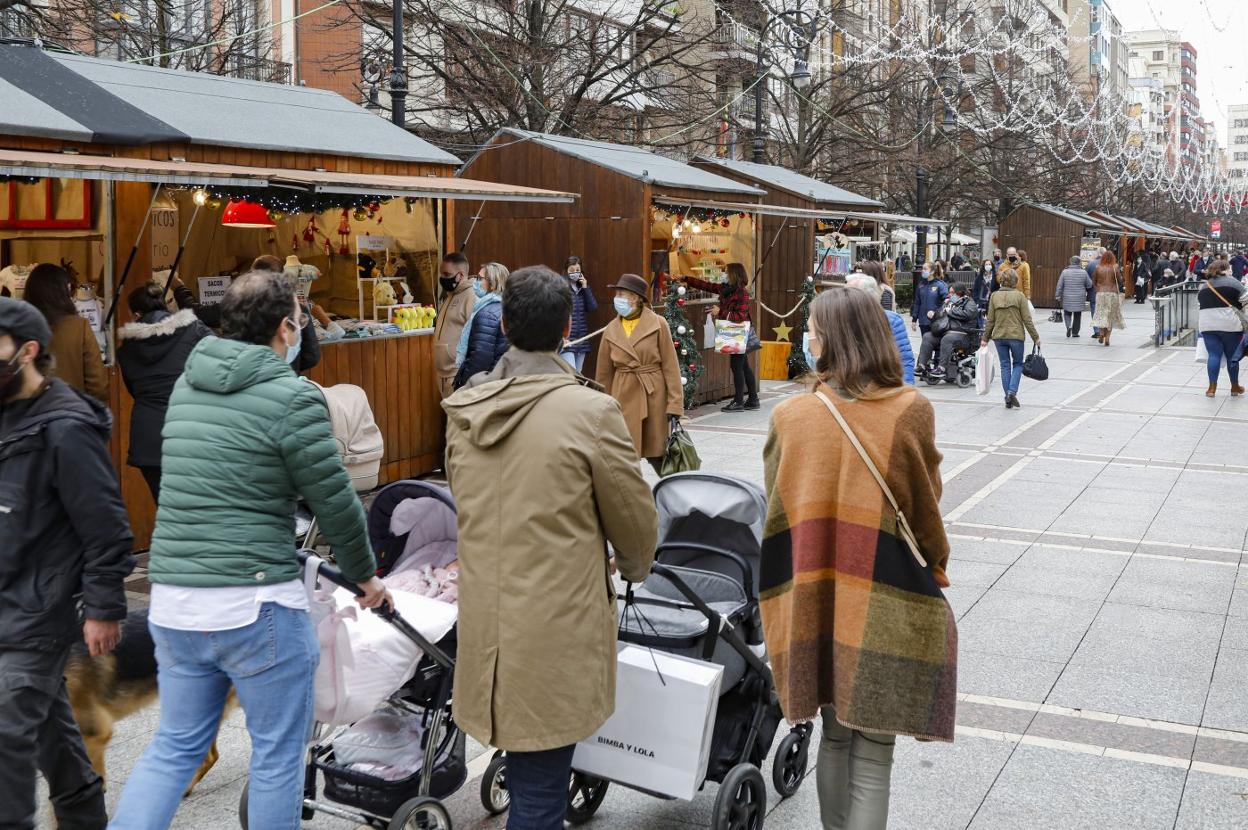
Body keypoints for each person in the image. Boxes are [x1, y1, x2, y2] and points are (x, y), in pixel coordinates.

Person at [108, 272, 389, 830]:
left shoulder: (190, 383)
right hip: (253, 602)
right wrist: (366, 577)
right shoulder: (292, 397)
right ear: (286, 327)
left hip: (174, 602)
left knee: (174, 748)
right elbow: (336, 502)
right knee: (278, 755)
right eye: (298, 319)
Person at [442, 265, 658, 830]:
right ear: (569, 328)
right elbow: (635, 523)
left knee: (531, 779)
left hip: (487, 624)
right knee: (539, 799)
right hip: (555, 626)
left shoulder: (466, 408)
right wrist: (633, 565)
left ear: (505, 324)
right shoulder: (590, 412)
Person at [760, 286, 955, 830]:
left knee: (834, 735)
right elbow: (925, 507)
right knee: (873, 751)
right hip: (884, 592)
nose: (809, 336)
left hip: (815, 592)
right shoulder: (911, 410)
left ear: (833, 339)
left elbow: (777, 507)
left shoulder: (792, 416)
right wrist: (936, 560)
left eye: (815, 328)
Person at [0, 297, 134, 830]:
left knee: (6, 736)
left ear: (27, 352)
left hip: (39, 609)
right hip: (8, 596)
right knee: (54, 735)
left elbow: (106, 527)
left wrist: (103, 607)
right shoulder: (7, 413)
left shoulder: (67, 427)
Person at [117, 280, 213, 503]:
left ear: (137, 314)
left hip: (149, 439)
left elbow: (134, 389)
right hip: (190, 432)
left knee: (167, 509)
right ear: (166, 303)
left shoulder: (127, 349)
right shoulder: (194, 330)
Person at [596, 273, 683, 471]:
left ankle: (674, 493)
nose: (616, 298)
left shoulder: (658, 323)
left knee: (659, 455)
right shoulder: (611, 329)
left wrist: (675, 405)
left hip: (653, 395)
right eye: (616, 293)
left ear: (635, 298)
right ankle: (631, 497)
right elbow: (604, 375)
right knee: (624, 457)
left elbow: (671, 366)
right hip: (622, 396)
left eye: (621, 293)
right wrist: (601, 407)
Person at [22, 263, 108, 401]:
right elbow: (98, 385)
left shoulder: (18, 328)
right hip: (72, 413)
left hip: (28, 416)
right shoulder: (80, 327)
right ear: (64, 291)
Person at [682, 263, 759, 412]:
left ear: (734, 275)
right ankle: (753, 399)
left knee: (737, 366)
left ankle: (738, 402)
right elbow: (707, 285)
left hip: (739, 332)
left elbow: (740, 316)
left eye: (726, 272)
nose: (724, 274)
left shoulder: (742, 293)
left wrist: (720, 312)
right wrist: (685, 278)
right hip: (733, 332)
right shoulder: (726, 289)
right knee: (744, 366)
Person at [251, 255, 321, 372]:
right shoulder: (298, 309)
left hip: (254, 380)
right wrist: (293, 366)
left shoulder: (244, 309)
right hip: (288, 378)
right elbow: (312, 355)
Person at [982, 269, 1040, 409]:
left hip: (999, 336)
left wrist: (985, 338)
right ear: (1015, 281)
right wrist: (1035, 337)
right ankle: (1011, 392)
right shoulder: (1020, 296)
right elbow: (1027, 319)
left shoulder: (994, 296)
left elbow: (990, 320)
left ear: (1001, 280)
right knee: (1018, 364)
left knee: (1005, 365)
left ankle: (1008, 397)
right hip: (1016, 336)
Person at [846, 273, 914, 384]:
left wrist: (907, 389)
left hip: (882, 385)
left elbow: (904, 358)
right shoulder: (841, 320)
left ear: (865, 296)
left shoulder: (891, 320)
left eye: (848, 293)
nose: (843, 297)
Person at [453, 262, 510, 389]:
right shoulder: (505, 307)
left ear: (493, 283)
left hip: (483, 386)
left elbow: (480, 356)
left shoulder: (487, 313)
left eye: (479, 278)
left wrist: (463, 384)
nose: (475, 282)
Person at [1196, 259, 1247, 397]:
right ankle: (1235, 386)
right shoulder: (1234, 282)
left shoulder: (1205, 286)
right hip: (1230, 324)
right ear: (1225, 269)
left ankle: (1211, 388)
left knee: (1213, 355)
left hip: (1207, 325)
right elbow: (1246, 300)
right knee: (1232, 356)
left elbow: (1199, 303)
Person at [434, 252, 476, 399]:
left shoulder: (471, 296)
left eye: (447, 274)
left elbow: (476, 338)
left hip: (457, 375)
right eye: (441, 274)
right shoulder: (450, 295)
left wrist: (463, 373)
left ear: (461, 275)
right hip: (442, 374)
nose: (443, 279)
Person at [917, 282, 979, 380]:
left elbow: (968, 314)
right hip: (946, 332)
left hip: (964, 335)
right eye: (949, 293)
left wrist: (950, 311)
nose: (950, 295)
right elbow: (941, 316)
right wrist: (934, 314)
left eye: (952, 293)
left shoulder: (969, 302)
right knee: (927, 336)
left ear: (960, 292)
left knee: (947, 339)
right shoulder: (948, 302)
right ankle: (922, 365)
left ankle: (942, 368)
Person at [558, 256, 598, 373]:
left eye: (577, 270)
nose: (575, 273)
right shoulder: (561, 288)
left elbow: (592, 307)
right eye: (572, 270)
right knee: (571, 373)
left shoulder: (582, 289)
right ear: (566, 271)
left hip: (582, 339)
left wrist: (585, 287)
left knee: (579, 373)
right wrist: (561, 337)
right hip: (567, 340)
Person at [1091, 251, 1125, 347]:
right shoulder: (1115, 267)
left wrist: (1098, 289)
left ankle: (1101, 333)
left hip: (1101, 294)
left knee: (1101, 314)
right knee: (1110, 316)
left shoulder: (1098, 267)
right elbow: (1120, 280)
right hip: (1112, 294)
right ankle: (1108, 338)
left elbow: (1094, 281)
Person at [1056, 255, 1093, 338]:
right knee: (1077, 315)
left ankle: (1069, 326)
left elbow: (1060, 285)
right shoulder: (1083, 272)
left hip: (1067, 296)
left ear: (1071, 262)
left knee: (1067, 313)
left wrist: (1058, 295)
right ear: (1079, 262)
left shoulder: (1065, 272)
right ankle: (1075, 332)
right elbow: (1089, 284)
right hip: (1079, 297)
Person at [910, 260, 949, 336]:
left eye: (925, 269)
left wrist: (937, 313)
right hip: (923, 321)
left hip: (936, 321)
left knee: (935, 344)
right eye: (922, 269)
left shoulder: (940, 285)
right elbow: (917, 303)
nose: (922, 271)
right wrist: (914, 320)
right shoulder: (920, 285)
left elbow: (946, 301)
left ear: (932, 271)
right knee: (925, 343)